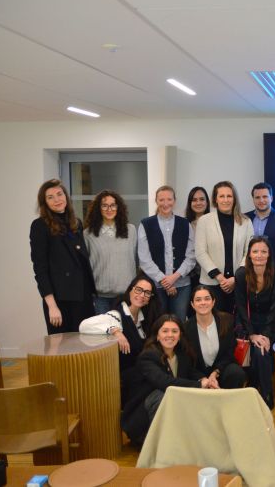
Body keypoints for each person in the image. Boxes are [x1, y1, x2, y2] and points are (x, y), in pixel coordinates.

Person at [122, 314, 216, 445]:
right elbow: (164, 382)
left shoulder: (181, 354)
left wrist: (207, 380)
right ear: (157, 335)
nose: (170, 335)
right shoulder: (148, 356)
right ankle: (158, 444)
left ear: (180, 335)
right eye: (165, 331)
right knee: (165, 394)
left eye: (175, 331)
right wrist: (199, 385)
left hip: (171, 411)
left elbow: (190, 372)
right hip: (144, 416)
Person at [79, 275, 164, 404]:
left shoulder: (144, 319)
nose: (142, 295)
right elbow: (84, 325)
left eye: (147, 293)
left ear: (150, 298)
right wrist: (116, 331)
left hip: (139, 372)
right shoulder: (116, 315)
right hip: (121, 375)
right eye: (138, 290)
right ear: (130, 290)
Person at [30, 178, 95, 334]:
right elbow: (40, 269)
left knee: (84, 348)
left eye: (59, 194)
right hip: (60, 300)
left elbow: (82, 262)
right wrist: (51, 306)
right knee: (62, 350)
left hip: (83, 296)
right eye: (50, 197)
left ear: (66, 196)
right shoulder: (40, 226)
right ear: (44, 202)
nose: (57, 200)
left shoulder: (76, 223)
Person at [234, 236, 275, 409]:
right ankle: (265, 393)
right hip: (247, 322)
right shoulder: (241, 274)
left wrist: (267, 335)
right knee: (259, 351)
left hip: (271, 321)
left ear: (269, 254)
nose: (259, 255)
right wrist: (252, 334)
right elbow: (240, 307)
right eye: (255, 251)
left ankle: (258, 389)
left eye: (263, 251)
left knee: (261, 350)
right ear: (249, 254)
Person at [137, 186, 196, 320]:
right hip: (155, 286)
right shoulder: (145, 224)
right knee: (157, 323)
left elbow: (191, 256)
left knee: (179, 322)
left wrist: (173, 278)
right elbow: (144, 259)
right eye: (161, 199)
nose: (165, 203)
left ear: (174, 201)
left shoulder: (185, 223)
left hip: (182, 285)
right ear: (156, 201)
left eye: (169, 199)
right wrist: (165, 281)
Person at [195, 181, 254, 313]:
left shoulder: (245, 221)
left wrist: (235, 278)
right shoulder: (204, 221)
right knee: (215, 324)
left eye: (229, 196)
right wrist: (220, 278)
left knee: (236, 325)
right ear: (215, 199)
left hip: (237, 283)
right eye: (222, 196)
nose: (225, 200)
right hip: (212, 284)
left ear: (234, 199)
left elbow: (249, 252)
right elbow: (200, 252)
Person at [84, 190, 137, 314]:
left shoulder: (131, 230)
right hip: (100, 298)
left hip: (126, 296)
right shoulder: (88, 234)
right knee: (104, 333)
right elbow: (85, 267)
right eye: (104, 205)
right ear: (98, 208)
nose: (109, 209)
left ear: (118, 208)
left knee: (125, 332)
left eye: (113, 205)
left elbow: (136, 261)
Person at [185, 285, 247, 389]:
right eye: (198, 300)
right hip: (197, 375)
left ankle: (228, 402)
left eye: (207, 299)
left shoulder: (226, 320)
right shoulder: (185, 328)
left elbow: (229, 353)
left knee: (236, 372)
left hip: (220, 371)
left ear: (213, 302)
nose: (203, 303)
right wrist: (203, 379)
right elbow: (187, 362)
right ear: (192, 304)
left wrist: (215, 373)